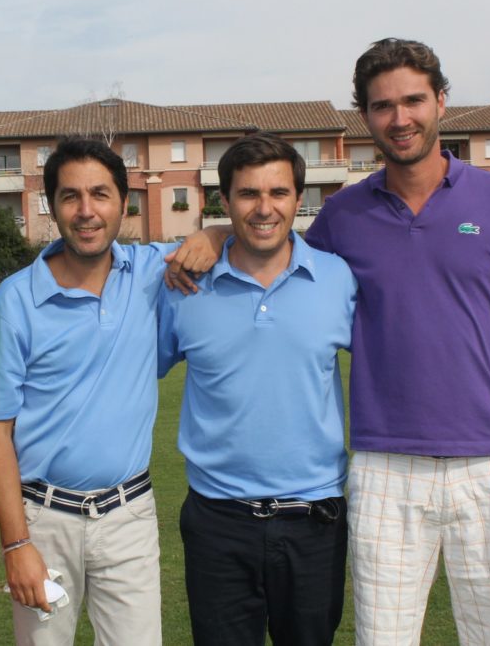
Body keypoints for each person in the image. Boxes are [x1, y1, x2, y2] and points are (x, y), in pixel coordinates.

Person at [304, 38, 490, 645]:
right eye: (382, 106)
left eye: (413, 101)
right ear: (365, 116)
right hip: (384, 467)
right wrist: (215, 234)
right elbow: (274, 261)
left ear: (441, 102)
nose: (400, 118)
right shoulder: (343, 215)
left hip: (489, 464)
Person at [0, 136, 223, 645]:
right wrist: (16, 543)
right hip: (42, 520)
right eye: (70, 196)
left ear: (123, 202)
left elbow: (241, 231)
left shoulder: (152, 271)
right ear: (51, 206)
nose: (86, 211)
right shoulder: (16, 299)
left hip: (129, 516)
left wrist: (214, 232)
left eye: (100, 194)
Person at [157, 132, 356, 645]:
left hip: (314, 520)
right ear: (224, 200)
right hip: (217, 521)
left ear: (298, 198)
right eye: (248, 194)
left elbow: (394, 366)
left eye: (278, 193)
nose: (264, 208)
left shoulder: (337, 278)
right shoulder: (184, 284)